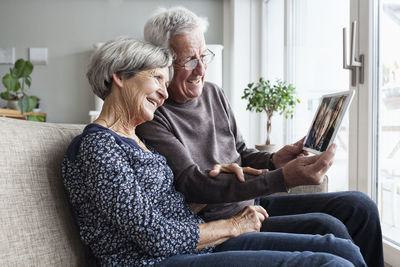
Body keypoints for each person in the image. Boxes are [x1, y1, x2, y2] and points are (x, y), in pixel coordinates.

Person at [61, 37, 365, 267]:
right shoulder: (98, 146)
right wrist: (233, 225)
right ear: (119, 76)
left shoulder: (133, 139)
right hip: (151, 262)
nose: (165, 93)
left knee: (340, 249)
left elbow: (165, 209)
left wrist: (212, 182)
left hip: (195, 245)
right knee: (329, 264)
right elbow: (153, 235)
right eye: (157, 78)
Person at [136, 6, 384, 267]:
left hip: (254, 202)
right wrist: (282, 177)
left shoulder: (213, 93)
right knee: (331, 235)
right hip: (220, 223)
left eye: (204, 56)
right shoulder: (153, 116)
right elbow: (194, 183)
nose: (201, 69)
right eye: (189, 60)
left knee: (360, 206)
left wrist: (275, 159)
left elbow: (241, 153)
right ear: (161, 62)